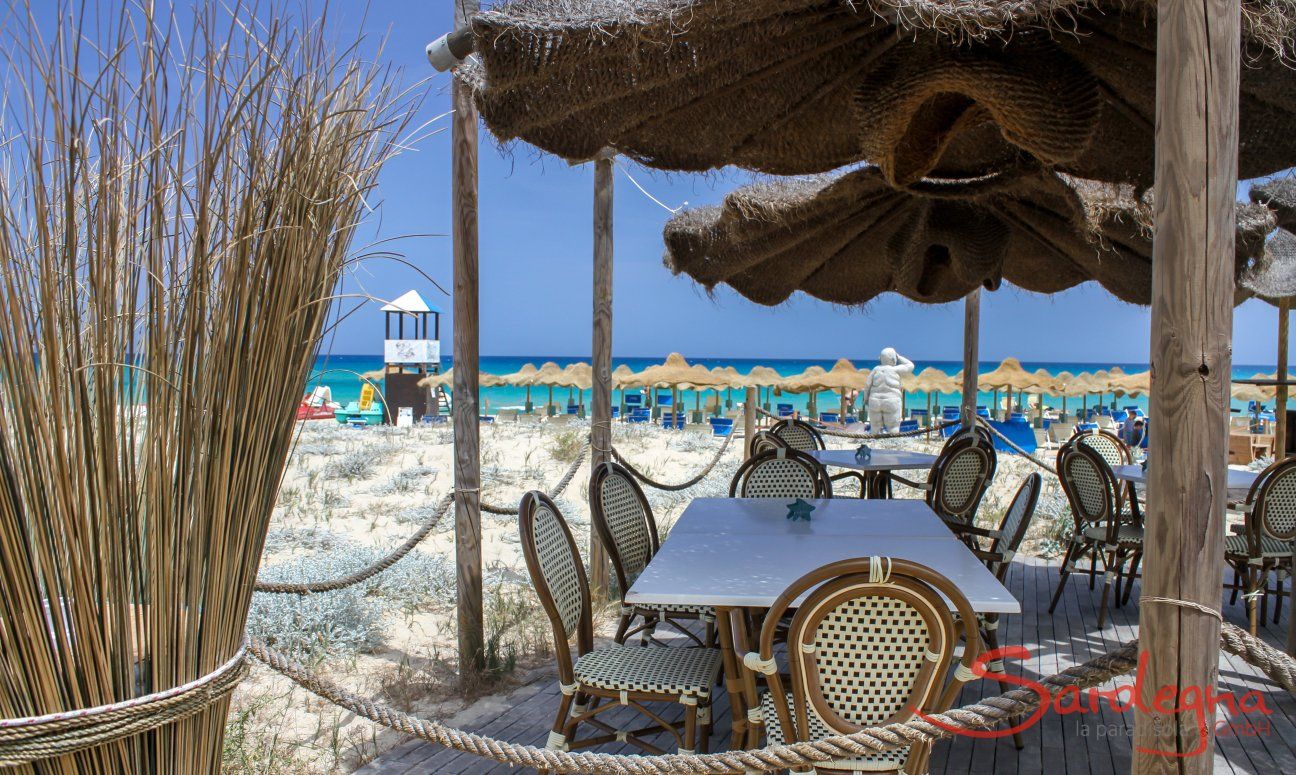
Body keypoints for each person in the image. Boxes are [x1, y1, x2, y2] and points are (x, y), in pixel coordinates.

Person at [862, 348, 914, 433]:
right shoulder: (896, 369)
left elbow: (867, 385)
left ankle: (873, 443)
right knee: (893, 427)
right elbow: (910, 365)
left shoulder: (875, 369)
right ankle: (893, 444)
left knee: (874, 427)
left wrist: (866, 399)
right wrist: (899, 356)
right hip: (892, 400)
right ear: (894, 359)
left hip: (875, 400)